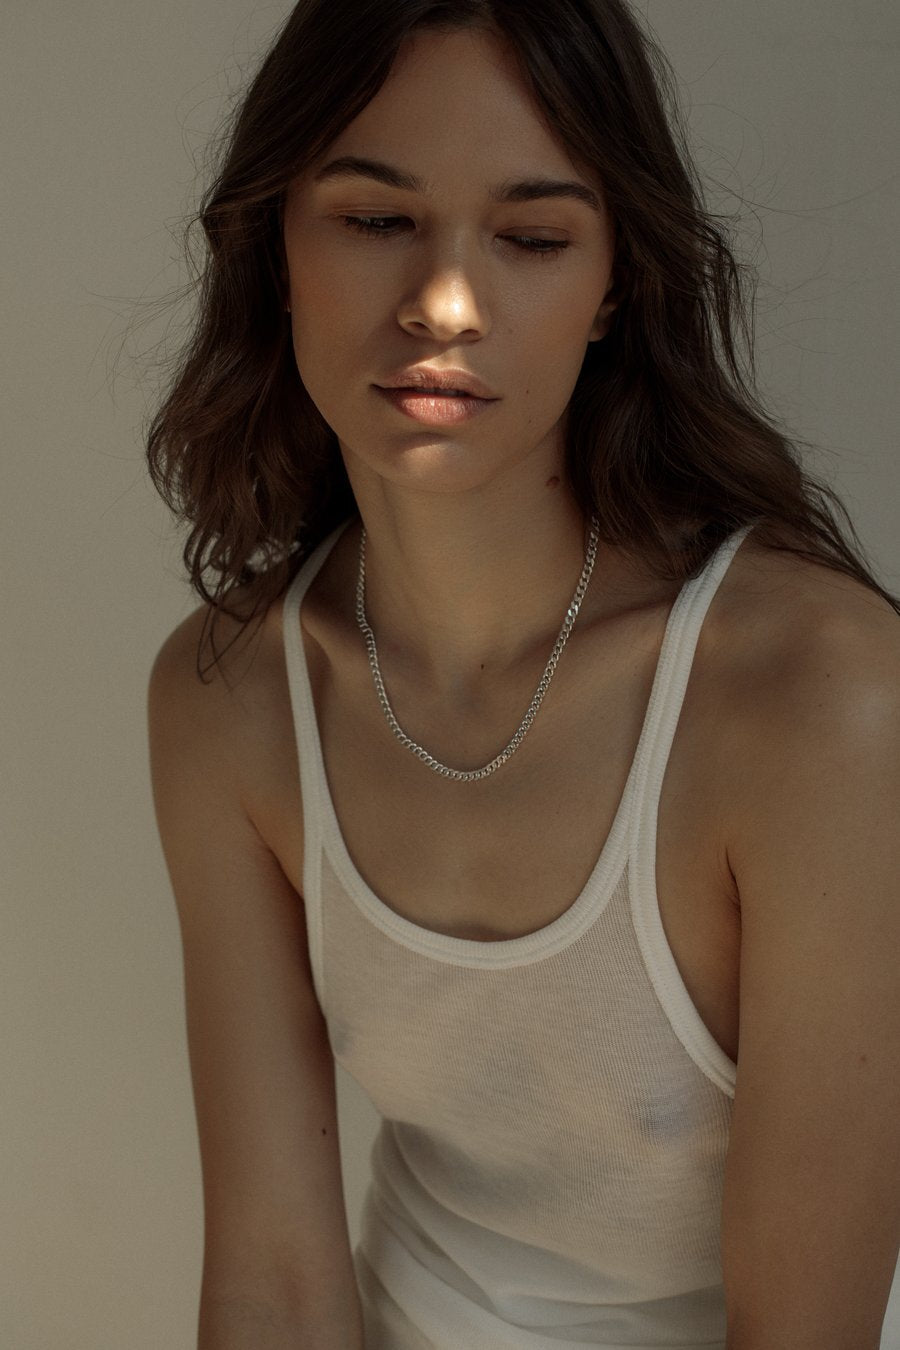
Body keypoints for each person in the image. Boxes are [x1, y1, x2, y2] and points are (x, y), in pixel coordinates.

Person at [146, 3, 900, 1347]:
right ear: (274, 249)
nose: (443, 303)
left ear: (614, 284)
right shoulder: (231, 697)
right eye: (375, 219)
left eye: (533, 238)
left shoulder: (818, 696)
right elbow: (273, 1282)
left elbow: (803, 1329)